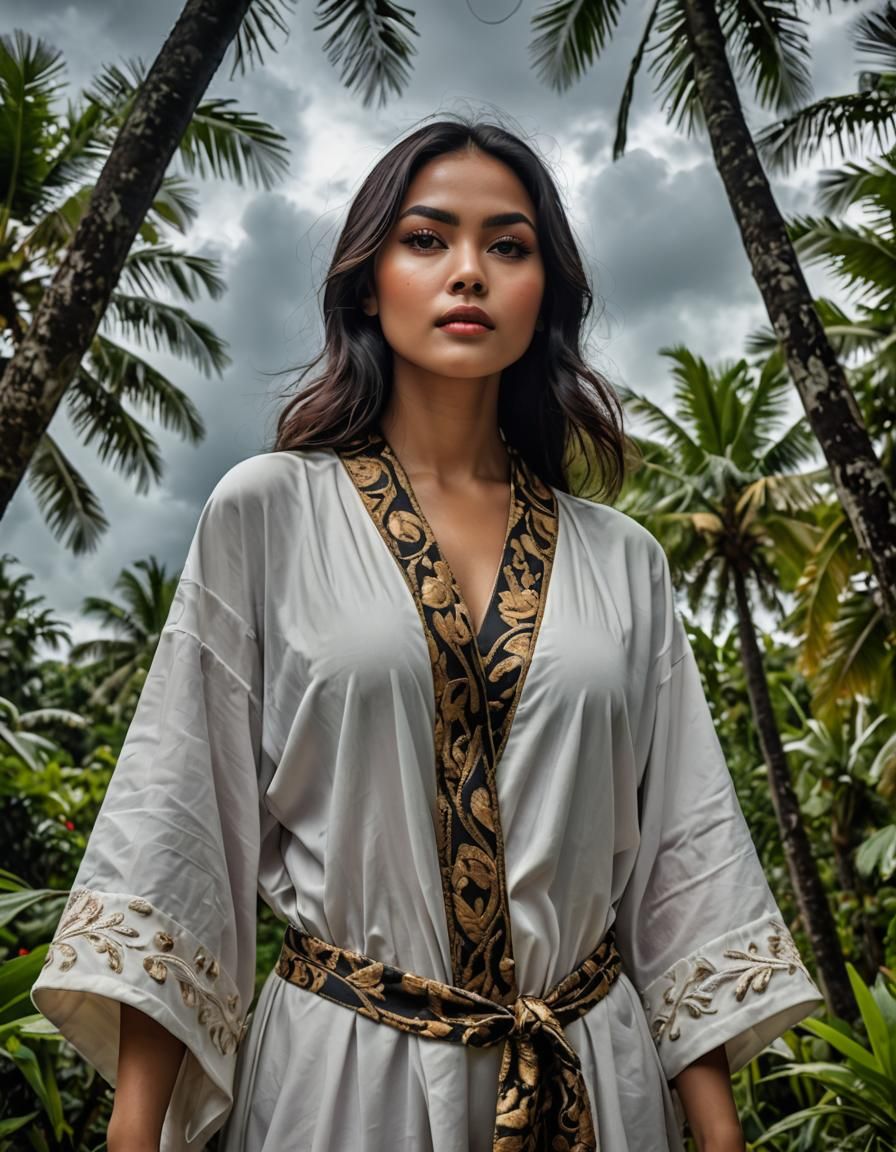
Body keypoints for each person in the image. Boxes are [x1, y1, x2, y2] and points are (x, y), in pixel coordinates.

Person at [30, 116, 823, 1152]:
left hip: (591, 1078)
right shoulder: (267, 512)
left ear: (545, 294)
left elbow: (681, 856)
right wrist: (133, 1132)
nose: (469, 272)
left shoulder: (623, 559)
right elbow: (181, 824)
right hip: (344, 1081)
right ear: (368, 282)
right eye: (425, 238)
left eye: (508, 246)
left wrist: (717, 1134)